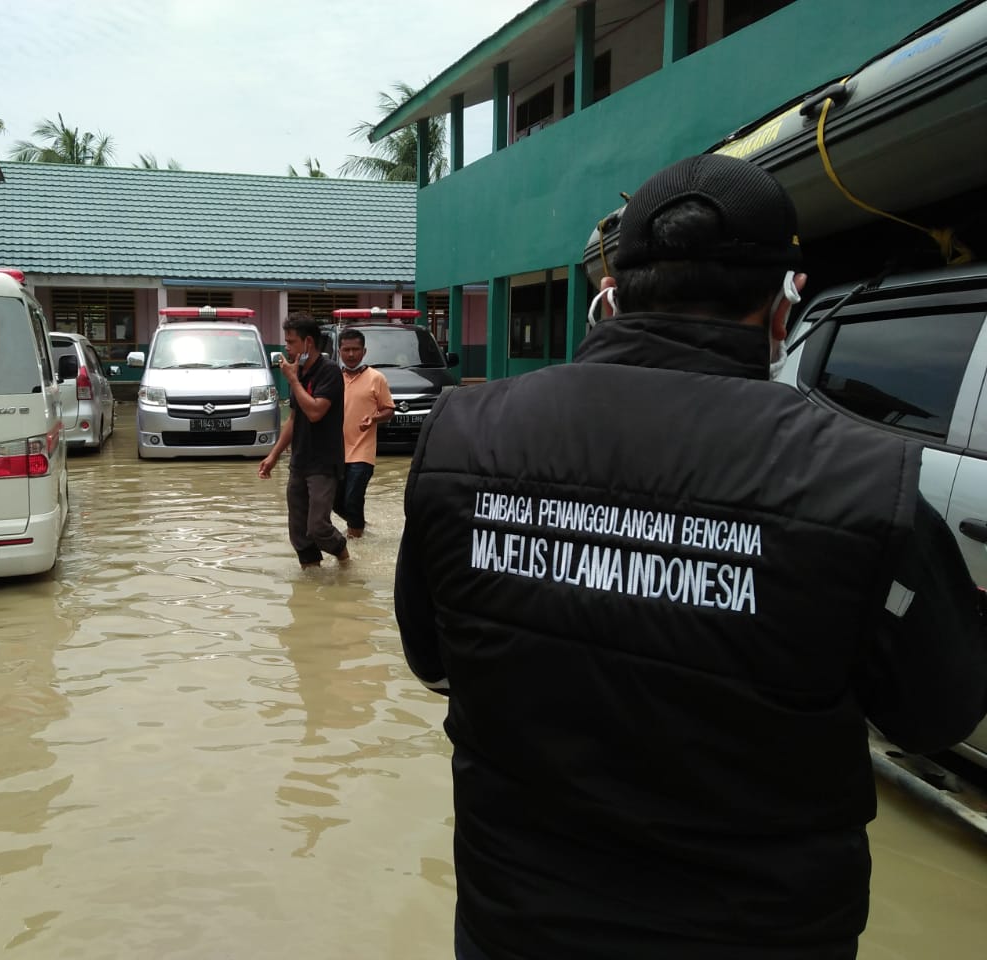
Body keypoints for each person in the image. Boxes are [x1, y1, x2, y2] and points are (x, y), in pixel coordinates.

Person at [394, 153, 987, 960]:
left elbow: (433, 661)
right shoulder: (867, 484)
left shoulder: (462, 438)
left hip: (516, 926)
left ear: (611, 295)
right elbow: (937, 717)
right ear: (786, 304)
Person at [258, 312, 349, 567]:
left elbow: (315, 412)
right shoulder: (298, 373)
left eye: (291, 342)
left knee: (318, 526)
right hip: (299, 461)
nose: (286, 348)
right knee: (298, 531)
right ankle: (311, 578)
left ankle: (345, 562)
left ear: (308, 342)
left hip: (324, 463)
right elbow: (294, 419)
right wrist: (273, 456)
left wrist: (293, 380)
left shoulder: (329, 371)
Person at [333, 328, 394, 538]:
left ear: (364, 351)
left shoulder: (376, 378)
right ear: (339, 351)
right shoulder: (333, 378)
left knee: (353, 499)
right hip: (335, 452)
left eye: (356, 349)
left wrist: (374, 418)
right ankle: (360, 527)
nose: (351, 354)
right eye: (346, 349)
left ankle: (355, 540)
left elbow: (389, 410)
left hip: (363, 452)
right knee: (334, 501)